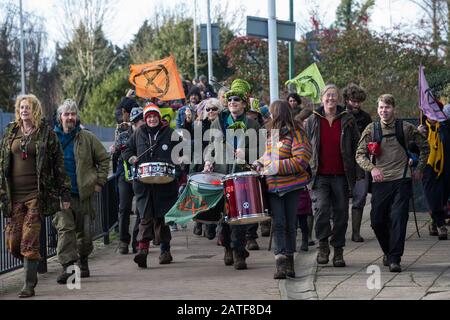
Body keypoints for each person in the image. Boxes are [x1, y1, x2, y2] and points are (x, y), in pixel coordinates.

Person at [0, 94, 71, 297]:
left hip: (36, 196)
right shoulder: (11, 132)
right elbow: (2, 163)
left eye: (28, 107)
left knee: (29, 240)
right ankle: (32, 261)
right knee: (14, 242)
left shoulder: (46, 134)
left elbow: (59, 165)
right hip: (14, 197)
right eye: (21, 107)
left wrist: (64, 194)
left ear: (35, 110)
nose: (24, 110)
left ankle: (28, 284)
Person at [356, 94, 429, 272]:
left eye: (387, 107)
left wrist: (419, 167)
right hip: (381, 181)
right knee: (377, 221)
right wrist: (372, 168)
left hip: (402, 179)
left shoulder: (405, 127)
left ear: (393, 109)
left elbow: (425, 146)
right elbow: (359, 154)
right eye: (381, 107)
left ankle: (395, 258)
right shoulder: (371, 129)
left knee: (398, 218)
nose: (384, 111)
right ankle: (388, 251)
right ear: (377, 109)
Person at [204, 78, 261, 270]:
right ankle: (228, 248)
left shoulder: (253, 124)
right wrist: (208, 161)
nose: (232, 102)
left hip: (243, 175)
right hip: (222, 174)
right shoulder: (218, 123)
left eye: (236, 99)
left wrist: (248, 154)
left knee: (240, 217)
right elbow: (210, 147)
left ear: (244, 103)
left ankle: (239, 253)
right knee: (224, 217)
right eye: (229, 100)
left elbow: (262, 152)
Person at [52, 99, 110, 284]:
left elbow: (104, 159)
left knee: (85, 236)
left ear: (76, 117)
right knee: (65, 229)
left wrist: (99, 182)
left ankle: (83, 260)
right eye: (66, 114)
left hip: (83, 194)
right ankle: (69, 267)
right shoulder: (51, 138)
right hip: (61, 195)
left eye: (73, 114)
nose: (70, 117)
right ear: (60, 116)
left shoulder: (86, 137)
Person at [254, 100, 312, 279]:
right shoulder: (272, 135)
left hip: (292, 186)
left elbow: (301, 159)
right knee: (278, 223)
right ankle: (280, 262)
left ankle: (289, 260)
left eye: (272, 113)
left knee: (289, 224)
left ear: (278, 113)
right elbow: (267, 155)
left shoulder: (297, 134)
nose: (270, 116)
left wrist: (274, 166)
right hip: (273, 187)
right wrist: (259, 162)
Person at [305, 84, 361, 268]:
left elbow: (356, 145)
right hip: (319, 175)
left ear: (339, 98)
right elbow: (305, 147)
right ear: (321, 98)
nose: (331, 99)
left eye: (334, 95)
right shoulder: (312, 120)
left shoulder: (348, 119)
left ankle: (338, 250)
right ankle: (323, 246)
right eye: (327, 95)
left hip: (341, 176)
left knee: (341, 214)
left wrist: (359, 171)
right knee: (320, 209)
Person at [123, 103, 181, 268]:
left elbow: (182, 152)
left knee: (162, 218)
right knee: (145, 217)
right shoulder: (138, 133)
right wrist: (132, 158)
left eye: (155, 116)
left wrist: (179, 164)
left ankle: (165, 251)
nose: (152, 119)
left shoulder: (170, 133)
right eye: (149, 117)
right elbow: (126, 151)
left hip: (165, 183)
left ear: (159, 117)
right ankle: (143, 251)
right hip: (143, 183)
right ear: (145, 119)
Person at [181, 98, 223, 239]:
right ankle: (202, 223)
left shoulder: (223, 124)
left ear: (220, 110)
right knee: (202, 195)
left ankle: (213, 225)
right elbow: (186, 136)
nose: (211, 111)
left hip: (219, 164)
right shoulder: (199, 125)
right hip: (200, 164)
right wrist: (187, 121)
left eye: (214, 109)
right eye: (208, 109)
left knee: (215, 195)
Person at [343, 83, 372, 242]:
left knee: (360, 197)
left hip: (361, 160)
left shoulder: (365, 117)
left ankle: (355, 232)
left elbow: (371, 135)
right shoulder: (340, 115)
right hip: (343, 160)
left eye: (359, 101)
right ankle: (338, 232)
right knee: (339, 199)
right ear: (347, 99)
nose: (356, 104)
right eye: (353, 101)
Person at [114, 107, 145, 254]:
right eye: (136, 121)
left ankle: (137, 241)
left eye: (141, 120)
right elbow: (119, 153)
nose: (139, 123)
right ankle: (123, 241)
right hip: (125, 176)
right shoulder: (124, 135)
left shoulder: (148, 136)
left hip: (142, 177)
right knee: (124, 208)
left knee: (141, 210)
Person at [417, 111, 450, 240]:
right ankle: (441, 225)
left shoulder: (445, 127)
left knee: (442, 197)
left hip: (445, 166)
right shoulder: (420, 128)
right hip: (427, 167)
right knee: (432, 196)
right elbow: (412, 148)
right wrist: (418, 135)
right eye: (429, 112)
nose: (432, 116)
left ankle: (433, 222)